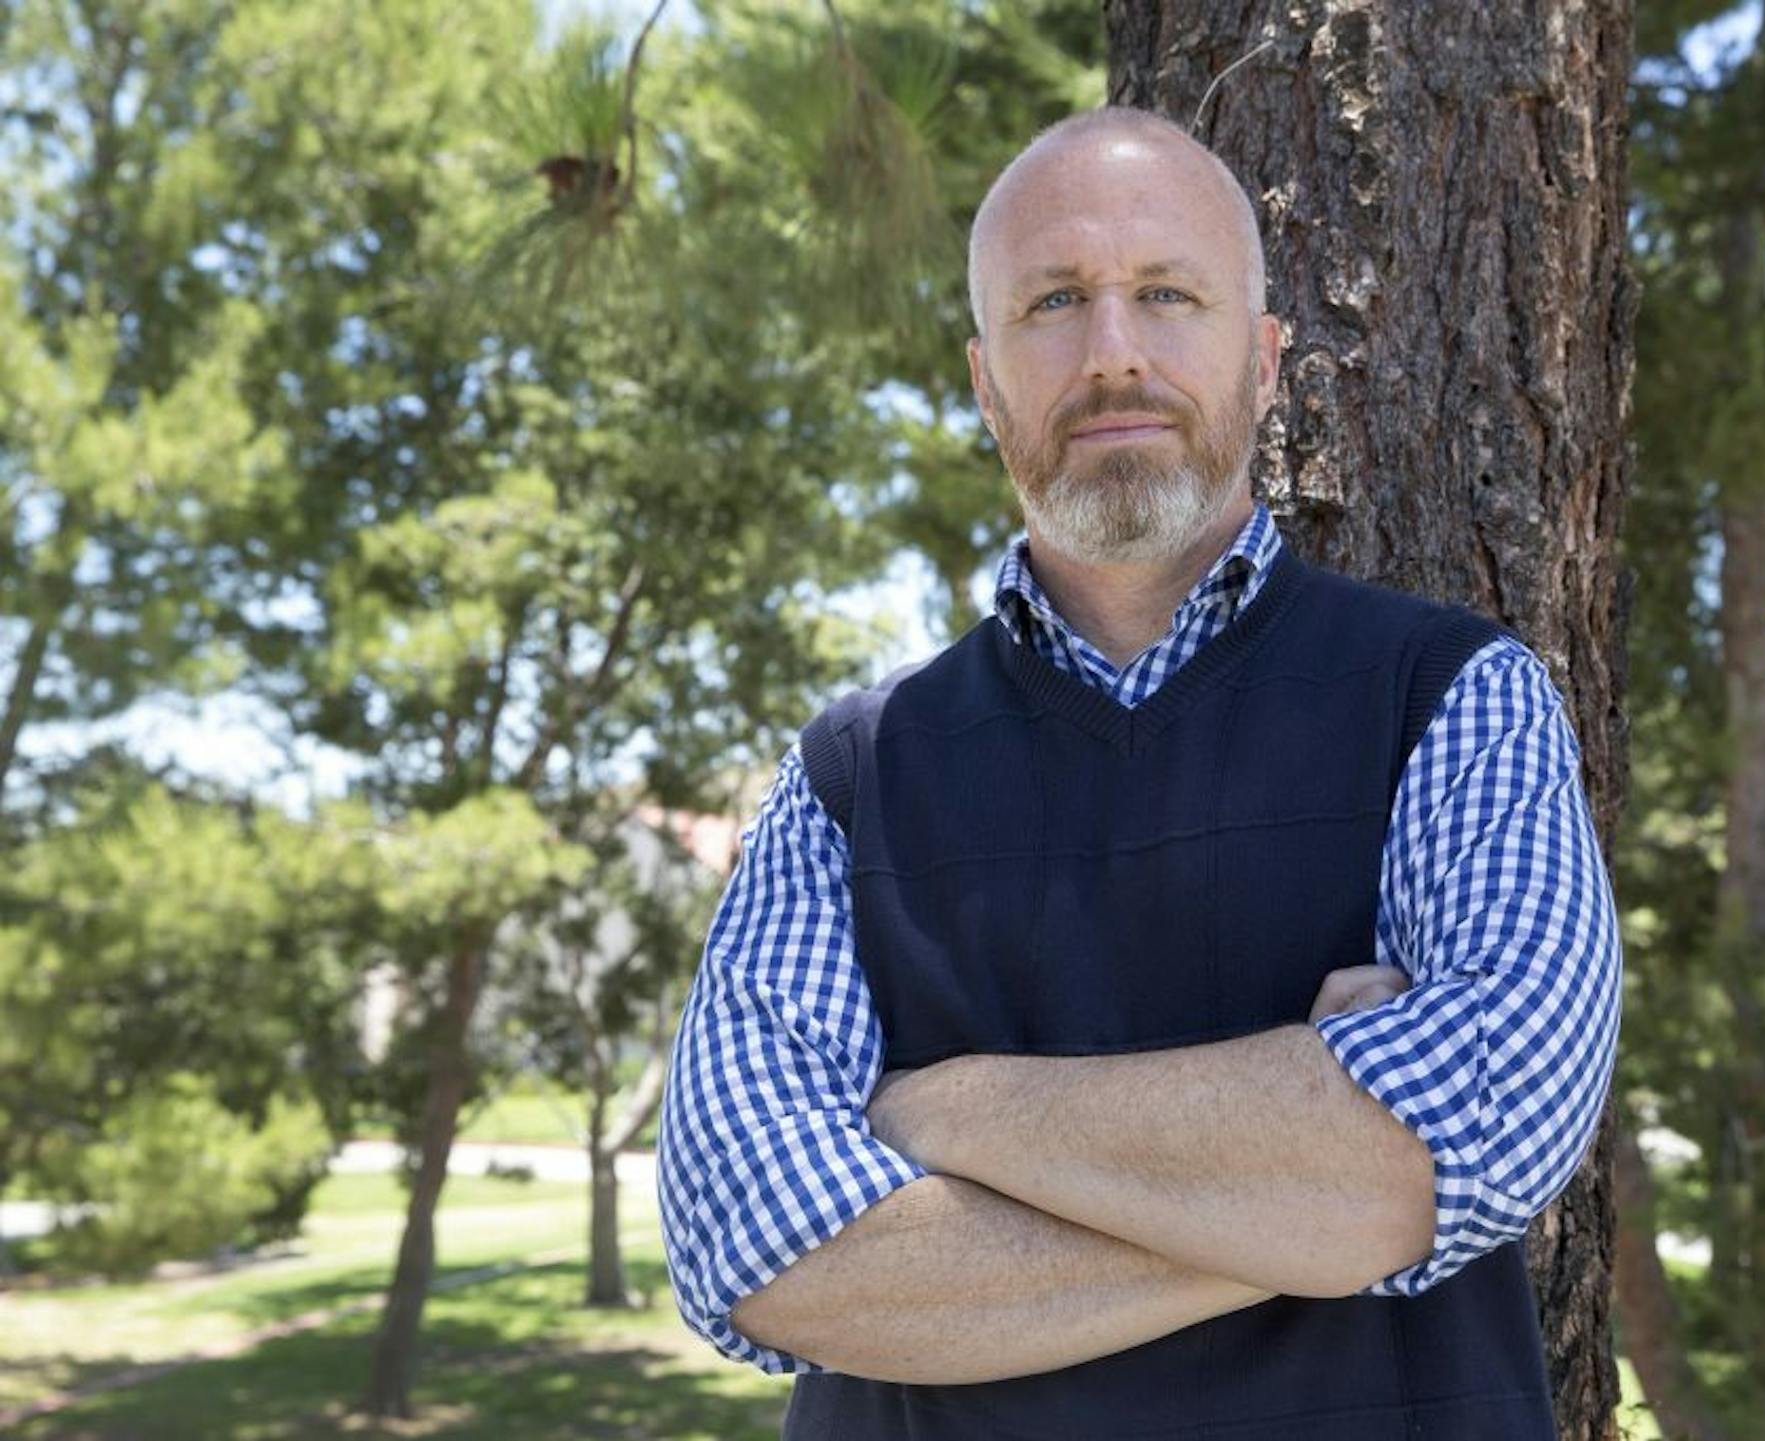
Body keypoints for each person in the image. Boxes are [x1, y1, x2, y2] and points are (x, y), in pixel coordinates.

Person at [657, 104, 1622, 1440]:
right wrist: (1308, 1200)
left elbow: (1483, 1123)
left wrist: (950, 1108)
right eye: (1055, 303)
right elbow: (749, 1241)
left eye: (1167, 293)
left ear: (1268, 360)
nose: (1115, 353)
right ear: (988, 379)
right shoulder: (848, 776)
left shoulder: (1454, 702)